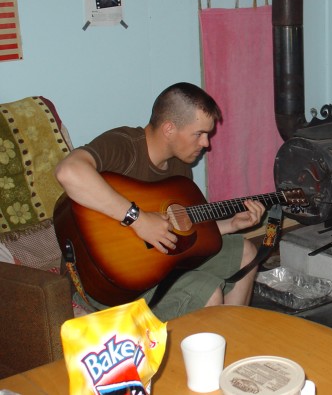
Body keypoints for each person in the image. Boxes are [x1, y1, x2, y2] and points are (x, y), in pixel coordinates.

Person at [55, 82, 265, 320]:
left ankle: (236, 339)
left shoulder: (179, 168)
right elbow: (68, 172)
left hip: (157, 265)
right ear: (168, 129)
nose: (206, 143)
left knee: (245, 251)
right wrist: (138, 219)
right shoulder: (124, 146)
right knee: (208, 293)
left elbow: (186, 237)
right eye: (199, 134)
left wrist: (232, 225)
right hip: (106, 280)